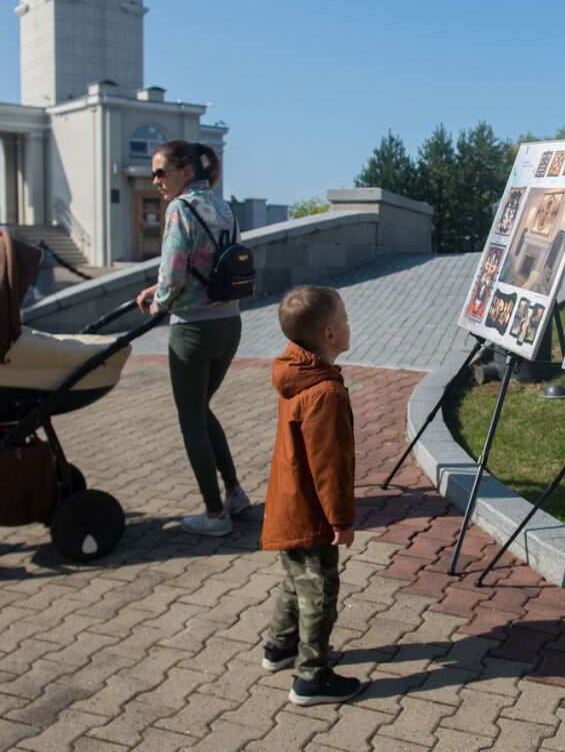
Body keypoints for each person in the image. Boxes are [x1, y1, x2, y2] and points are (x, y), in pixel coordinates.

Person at [136, 140, 250, 536]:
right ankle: (234, 492)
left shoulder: (179, 210)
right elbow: (211, 262)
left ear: (187, 170)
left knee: (191, 420)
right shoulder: (224, 207)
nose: (156, 181)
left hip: (192, 331)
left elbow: (174, 270)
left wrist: (158, 302)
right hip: (229, 324)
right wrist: (160, 289)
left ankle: (215, 514)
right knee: (201, 409)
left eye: (161, 171)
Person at [259, 285, 364, 706]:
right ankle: (311, 677)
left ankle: (280, 647)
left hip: (288, 506)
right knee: (320, 590)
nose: (349, 323)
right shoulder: (325, 393)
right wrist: (342, 520)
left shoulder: (297, 374)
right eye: (344, 318)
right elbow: (330, 467)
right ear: (329, 335)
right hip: (312, 514)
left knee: (295, 580)